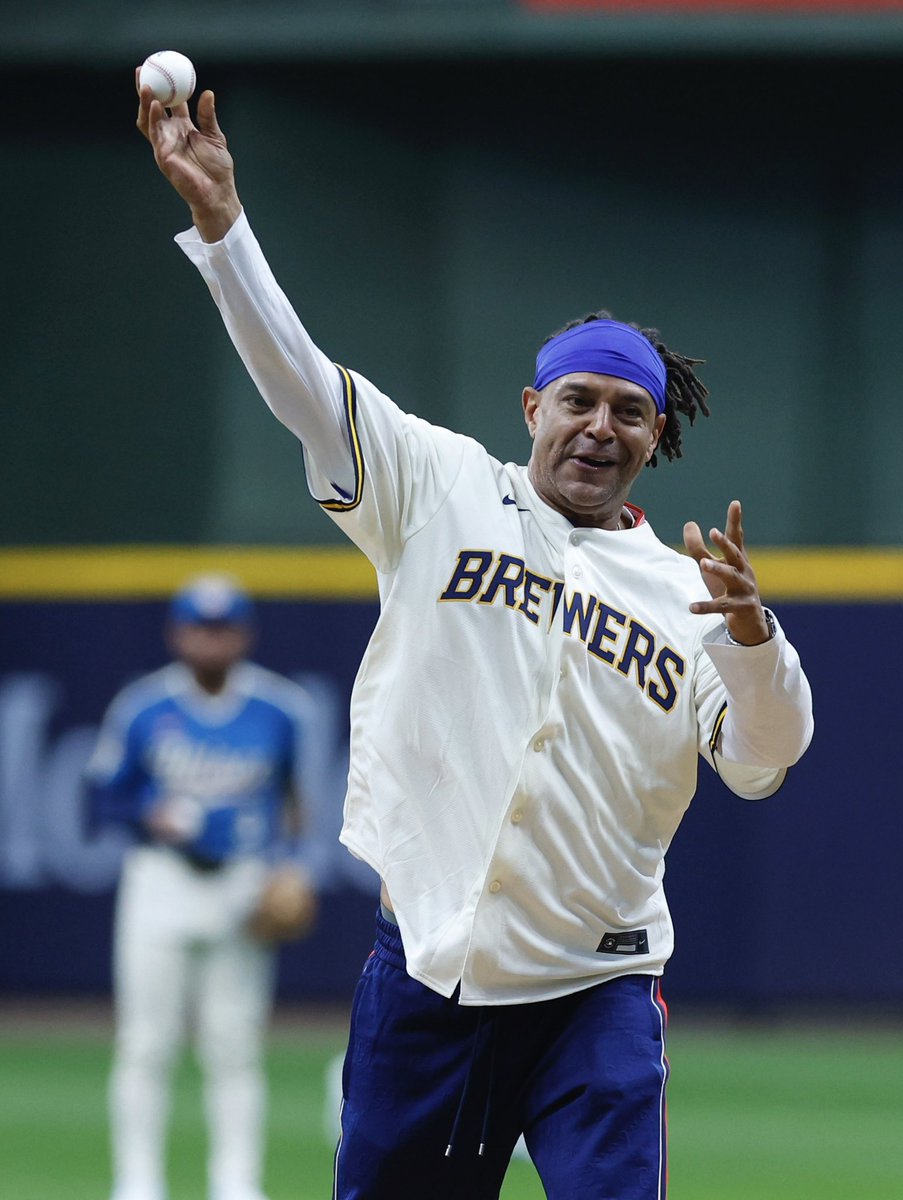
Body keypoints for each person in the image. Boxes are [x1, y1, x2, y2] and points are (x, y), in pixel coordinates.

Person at [135, 78, 815, 1200]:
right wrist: (223, 228)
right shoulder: (437, 486)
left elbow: (760, 761)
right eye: (578, 400)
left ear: (656, 436)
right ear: (531, 409)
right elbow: (301, 383)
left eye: (628, 411)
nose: (599, 426)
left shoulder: (685, 590)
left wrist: (751, 639)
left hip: (596, 991)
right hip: (427, 972)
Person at [87, 573, 314, 1200]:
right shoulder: (142, 706)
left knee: (235, 1046)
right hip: (160, 880)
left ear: (245, 635)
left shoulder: (278, 708)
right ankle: (137, 1184)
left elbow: (298, 801)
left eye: (223, 629)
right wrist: (148, 812)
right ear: (177, 634)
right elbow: (100, 796)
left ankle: (236, 1184)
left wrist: (293, 865)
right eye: (200, 628)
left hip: (243, 882)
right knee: (144, 1044)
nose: (211, 641)